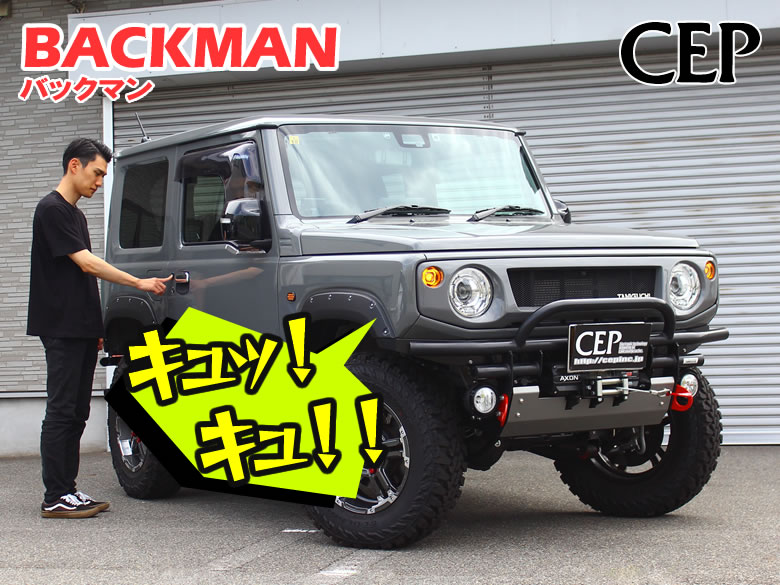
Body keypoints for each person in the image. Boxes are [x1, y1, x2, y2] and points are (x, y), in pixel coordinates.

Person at [27, 138, 172, 519]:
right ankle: (55, 496)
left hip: (79, 328)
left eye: (103, 176)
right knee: (62, 411)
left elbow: (82, 279)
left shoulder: (75, 214)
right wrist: (138, 282)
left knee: (77, 412)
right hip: (61, 327)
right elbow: (87, 264)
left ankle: (67, 490)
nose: (99, 182)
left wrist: (96, 328)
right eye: (96, 173)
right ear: (74, 165)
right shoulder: (52, 209)